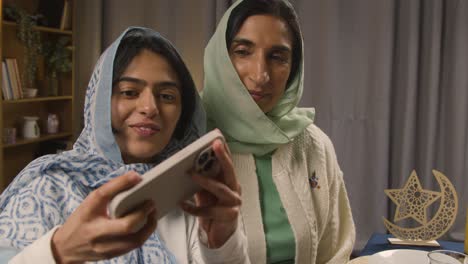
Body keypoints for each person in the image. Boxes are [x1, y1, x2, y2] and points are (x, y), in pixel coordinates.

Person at [0, 27, 248, 264]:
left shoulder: (190, 193)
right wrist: (58, 252)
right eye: (129, 92)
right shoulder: (48, 189)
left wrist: (222, 243)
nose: (150, 108)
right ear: (99, 103)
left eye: (167, 96)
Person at [202, 0, 356, 263]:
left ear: (294, 68)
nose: (261, 74)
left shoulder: (313, 145)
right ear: (220, 57)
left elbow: (336, 250)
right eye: (243, 51)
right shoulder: (187, 144)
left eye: (277, 57)